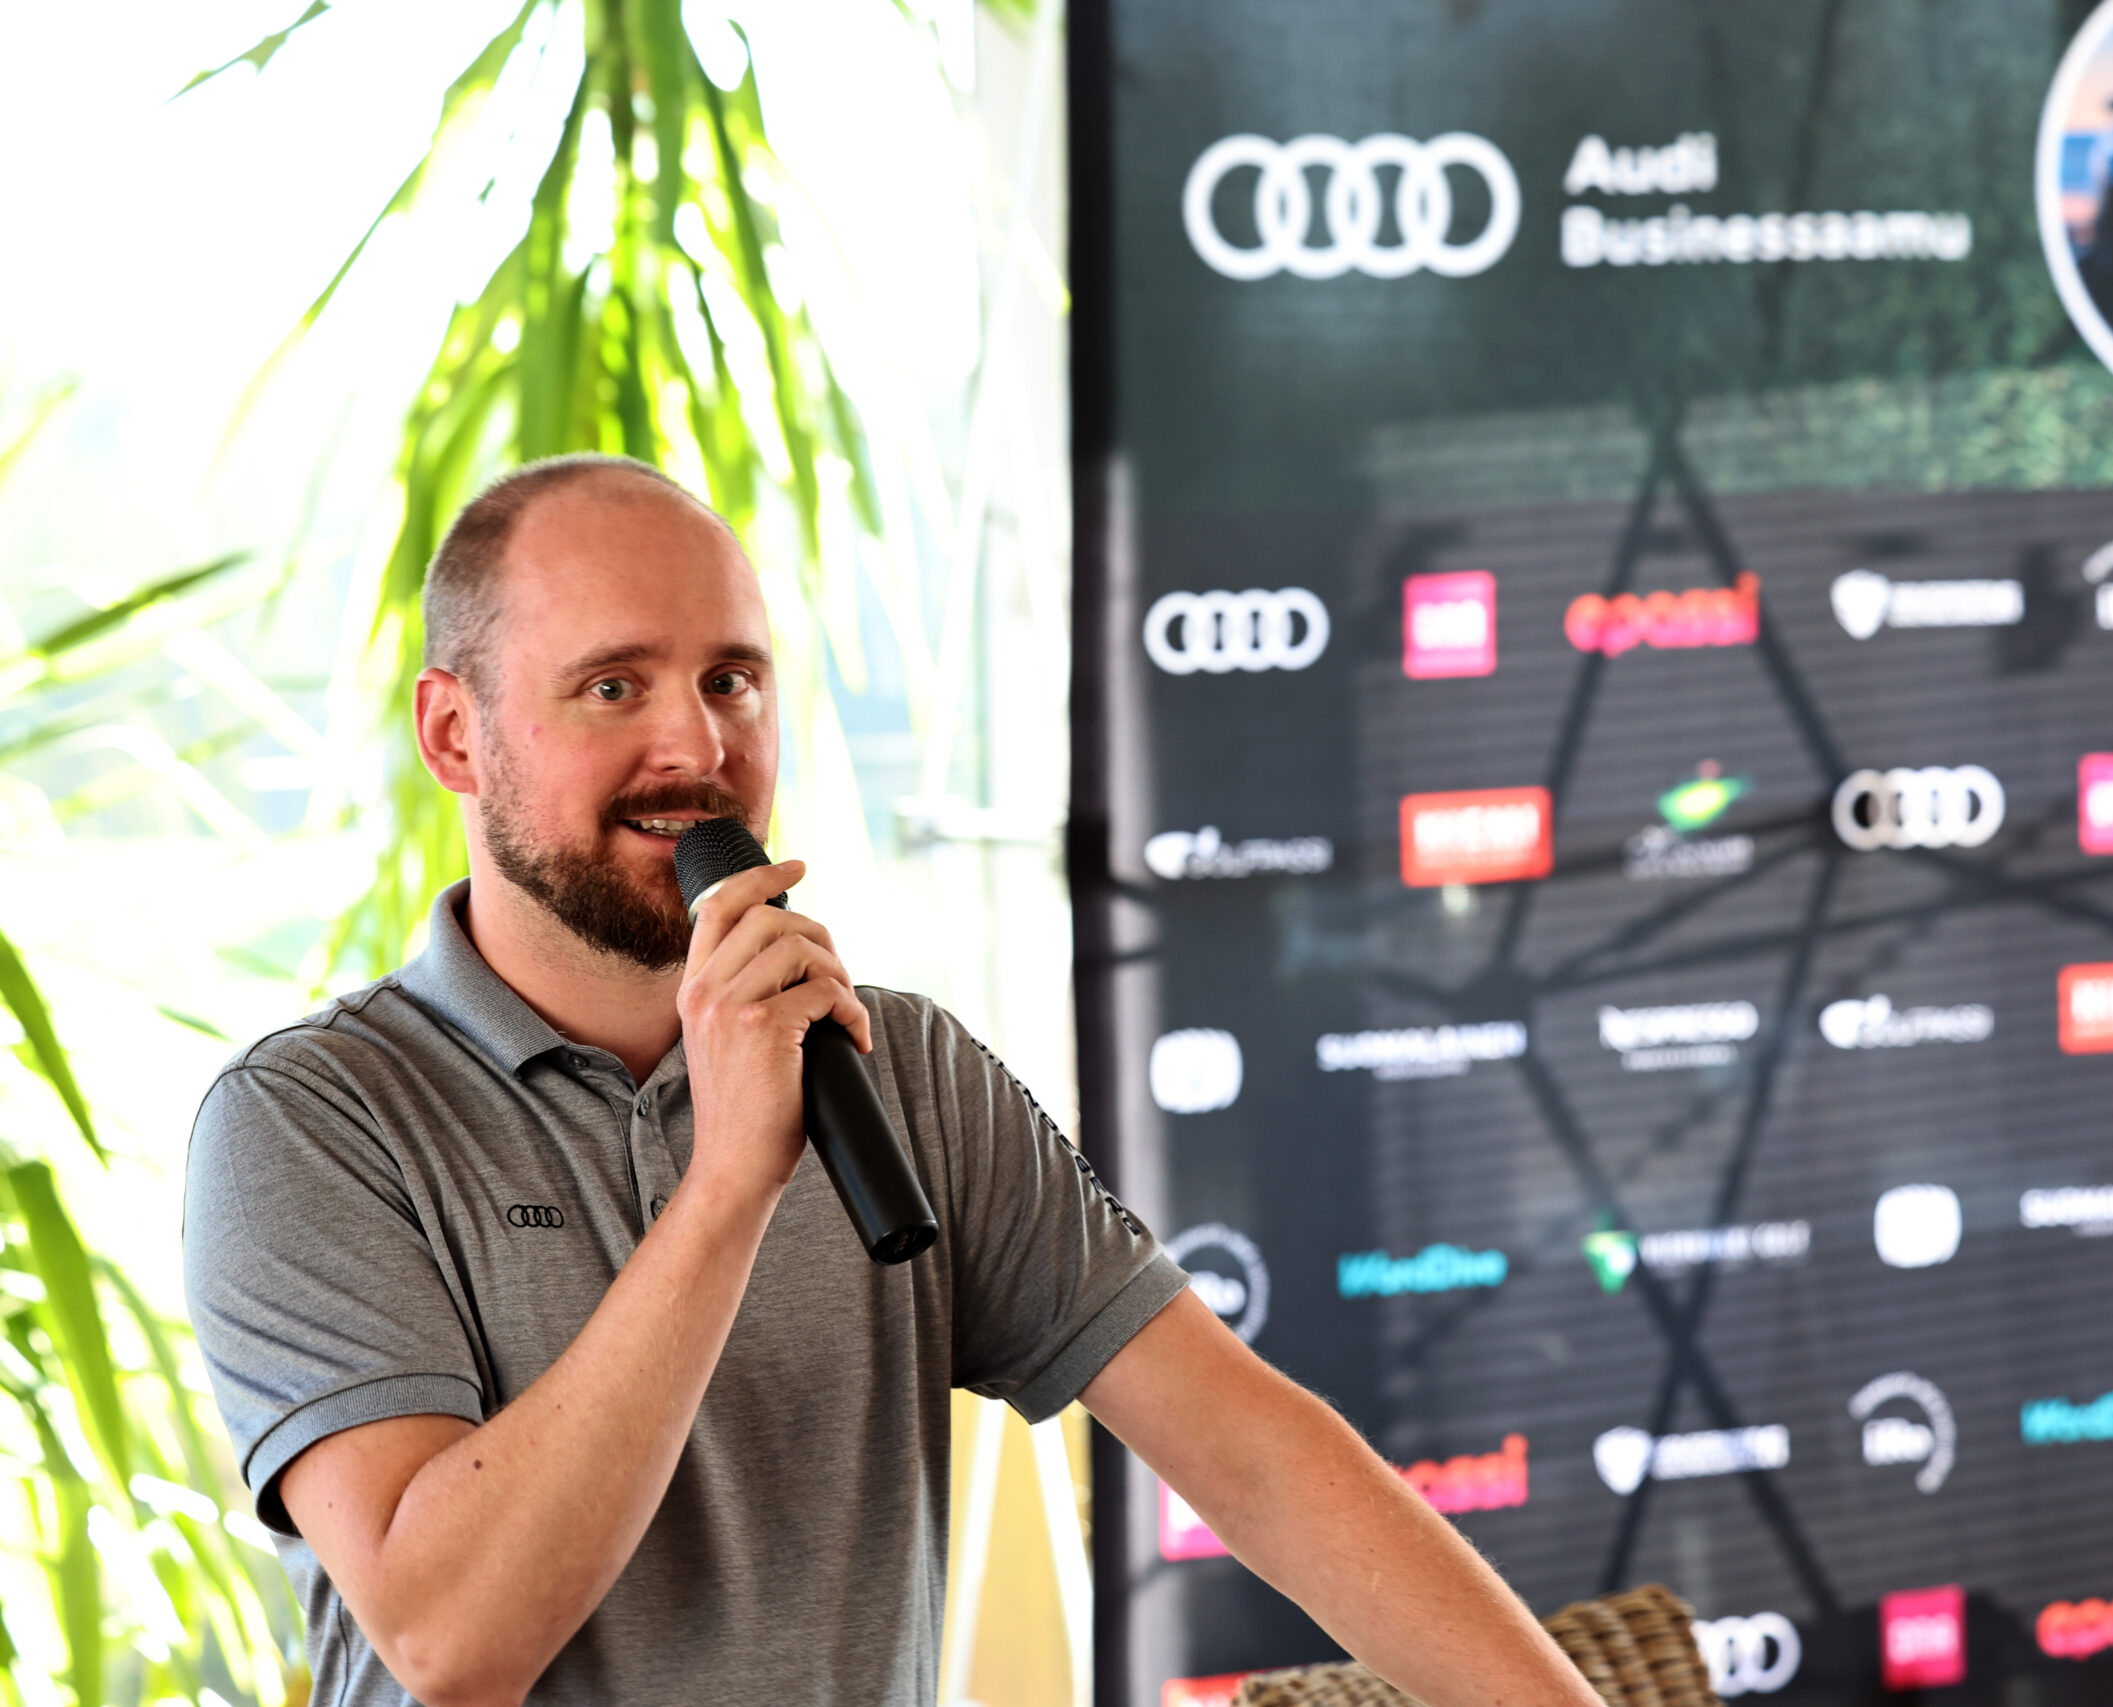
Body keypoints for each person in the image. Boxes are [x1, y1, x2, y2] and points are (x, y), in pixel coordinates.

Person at [184, 455, 1602, 1707]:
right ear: (454, 734)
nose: (698, 748)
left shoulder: (902, 1067)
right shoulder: (310, 1124)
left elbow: (1258, 1458)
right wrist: (730, 1179)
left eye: (732, 680)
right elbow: (452, 1640)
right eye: (614, 686)